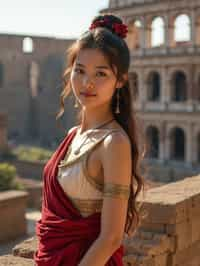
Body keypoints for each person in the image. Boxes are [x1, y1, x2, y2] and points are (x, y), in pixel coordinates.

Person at [34, 13, 146, 266]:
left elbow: (111, 237)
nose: (87, 83)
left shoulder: (113, 143)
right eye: (80, 70)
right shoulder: (73, 134)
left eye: (101, 74)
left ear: (120, 81)